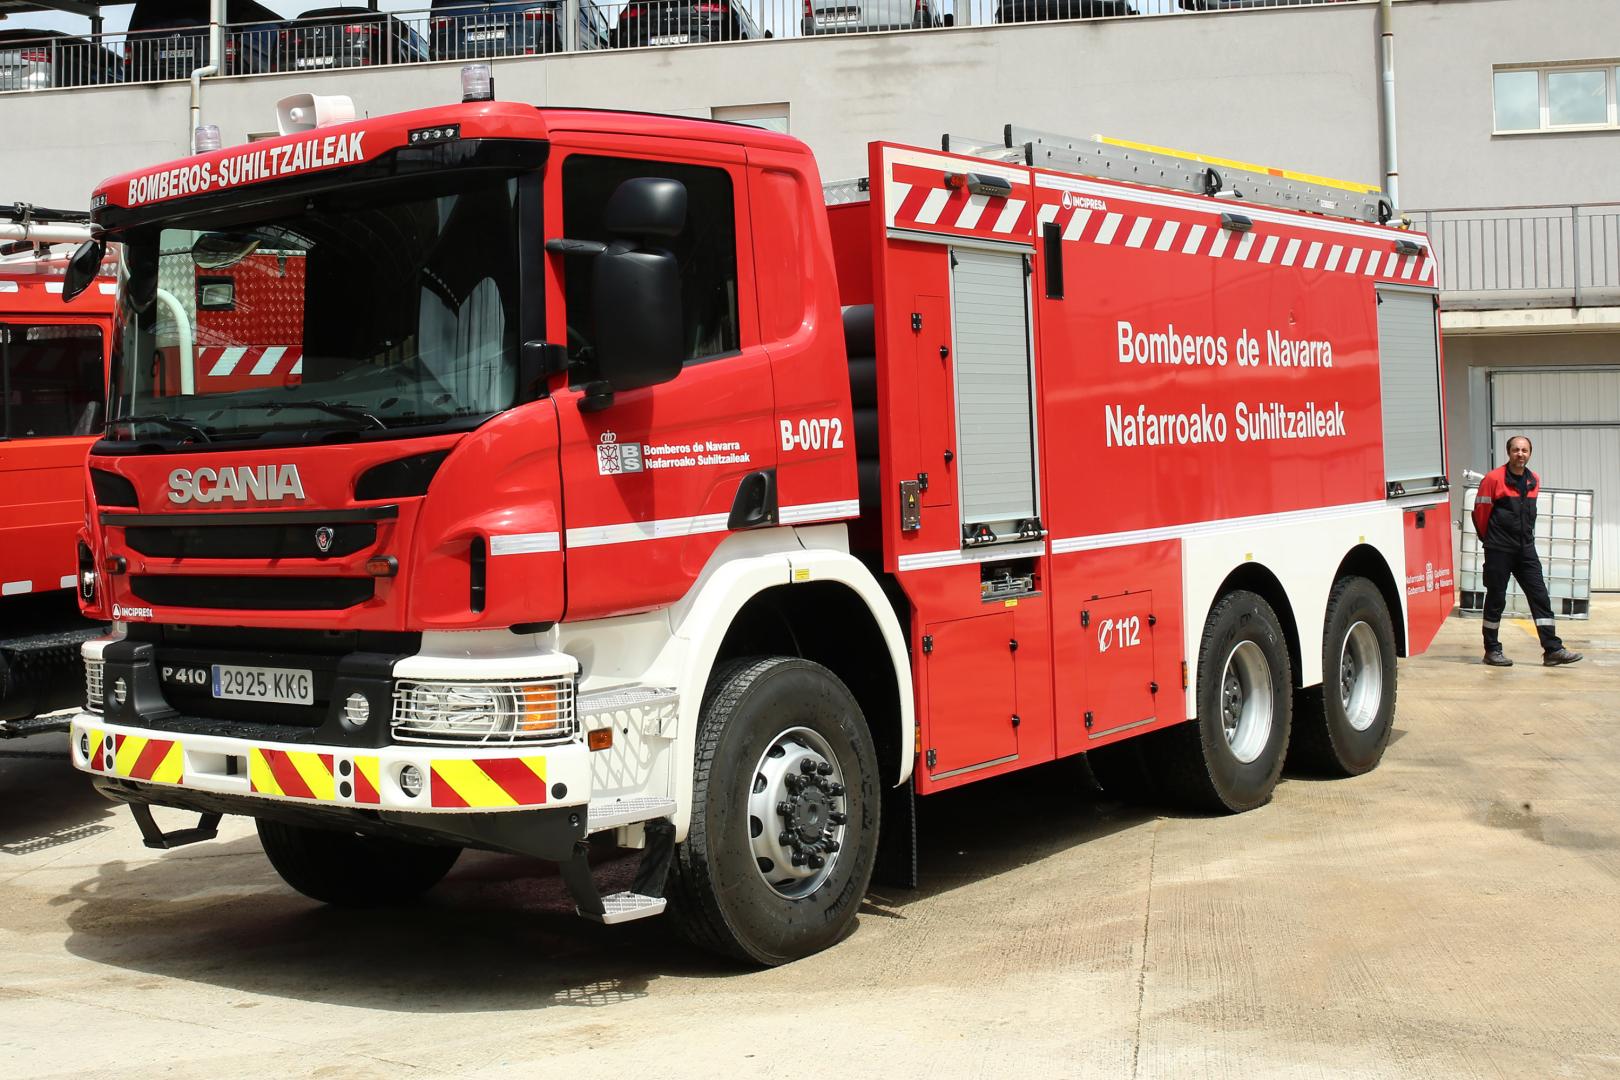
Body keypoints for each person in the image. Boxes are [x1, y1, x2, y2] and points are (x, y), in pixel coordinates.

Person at [1471, 435, 1582, 667]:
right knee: (1496, 599)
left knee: (1540, 596)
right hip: (1499, 549)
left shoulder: (1534, 480)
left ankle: (1552, 650)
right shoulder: (1493, 479)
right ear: (1508, 452)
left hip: (1525, 550)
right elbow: (1480, 513)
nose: (1520, 454)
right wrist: (1489, 540)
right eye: (1515, 450)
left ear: (1530, 453)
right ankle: (1492, 650)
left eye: (1524, 450)